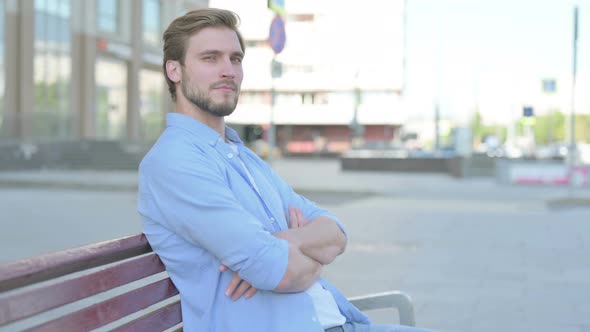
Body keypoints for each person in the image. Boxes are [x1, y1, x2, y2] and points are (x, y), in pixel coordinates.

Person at [137, 8, 433, 332]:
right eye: (211, 58)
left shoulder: (242, 156)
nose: (228, 71)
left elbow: (335, 233)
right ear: (174, 70)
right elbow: (280, 271)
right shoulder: (175, 162)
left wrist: (282, 243)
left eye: (235, 59)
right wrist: (303, 253)